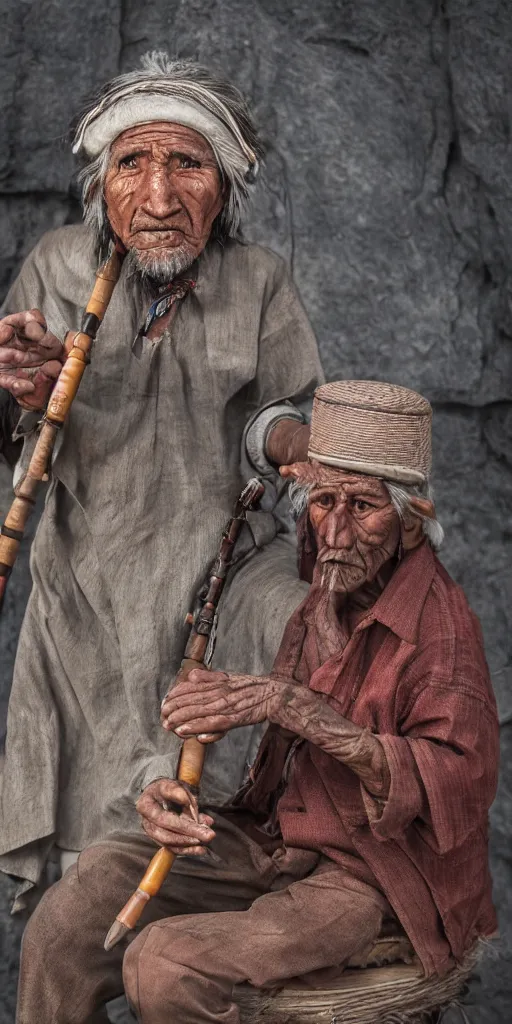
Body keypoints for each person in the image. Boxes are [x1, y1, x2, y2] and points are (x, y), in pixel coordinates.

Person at [17, 380, 499, 1024]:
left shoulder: (441, 628)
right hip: (274, 842)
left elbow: (459, 782)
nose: (337, 530)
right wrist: (170, 793)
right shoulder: (323, 590)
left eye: (364, 506)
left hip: (370, 877)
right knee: (71, 915)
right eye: (323, 502)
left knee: (166, 966)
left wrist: (290, 704)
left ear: (413, 522)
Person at [0, 52, 322, 899]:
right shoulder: (58, 267)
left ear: (226, 188)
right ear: (103, 181)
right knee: (90, 864)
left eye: (188, 162)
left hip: (215, 586)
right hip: (88, 595)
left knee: (208, 820)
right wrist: (23, 392)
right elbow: (14, 436)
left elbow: (278, 415)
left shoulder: (258, 281)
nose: (158, 197)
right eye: (132, 163)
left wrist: (296, 444)